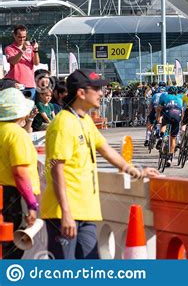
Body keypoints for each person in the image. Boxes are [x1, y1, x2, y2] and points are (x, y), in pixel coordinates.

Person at [40, 69, 159, 259]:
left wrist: (135, 171)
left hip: (86, 210)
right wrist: (66, 213)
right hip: (64, 212)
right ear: (81, 93)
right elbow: (57, 170)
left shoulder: (85, 120)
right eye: (96, 89)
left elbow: (106, 150)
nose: (101, 93)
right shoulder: (62, 124)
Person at [0, 88, 40, 259]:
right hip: (12, 197)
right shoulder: (16, 135)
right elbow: (20, 173)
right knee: (12, 248)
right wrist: (32, 204)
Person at [4, 25, 40, 99]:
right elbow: (13, 62)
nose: (22, 39)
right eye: (19, 37)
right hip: (16, 84)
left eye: (24, 37)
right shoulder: (9, 48)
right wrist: (23, 50)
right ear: (14, 35)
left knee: (29, 108)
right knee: (16, 108)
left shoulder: (30, 47)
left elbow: (36, 63)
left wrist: (35, 50)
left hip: (30, 84)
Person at [156, 85, 183, 167]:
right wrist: (180, 121)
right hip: (177, 115)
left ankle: (161, 137)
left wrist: (158, 118)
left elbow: (159, 108)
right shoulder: (179, 98)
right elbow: (182, 110)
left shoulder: (164, 96)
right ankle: (170, 158)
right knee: (173, 138)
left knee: (164, 123)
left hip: (168, 113)